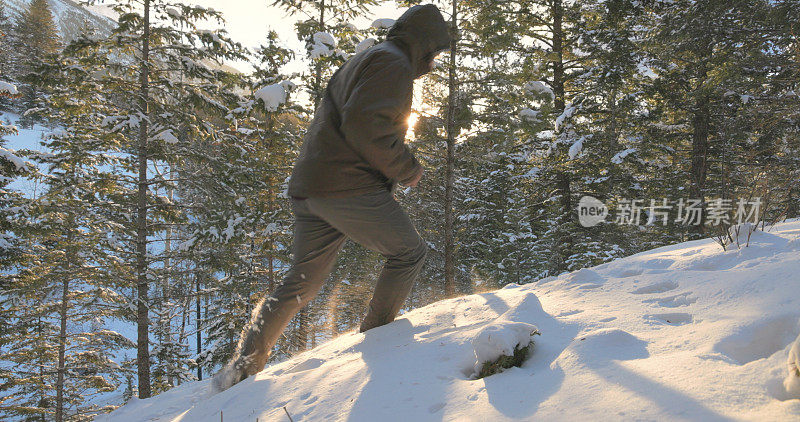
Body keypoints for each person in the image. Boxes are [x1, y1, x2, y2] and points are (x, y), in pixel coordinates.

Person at [212, 4, 452, 393]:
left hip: (312, 187)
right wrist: (408, 168)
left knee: (301, 282)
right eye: (436, 51)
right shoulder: (392, 64)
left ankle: (241, 368)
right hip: (347, 187)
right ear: (424, 44)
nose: (435, 60)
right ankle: (379, 340)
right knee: (409, 252)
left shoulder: (368, 58)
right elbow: (365, 127)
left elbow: (343, 119)